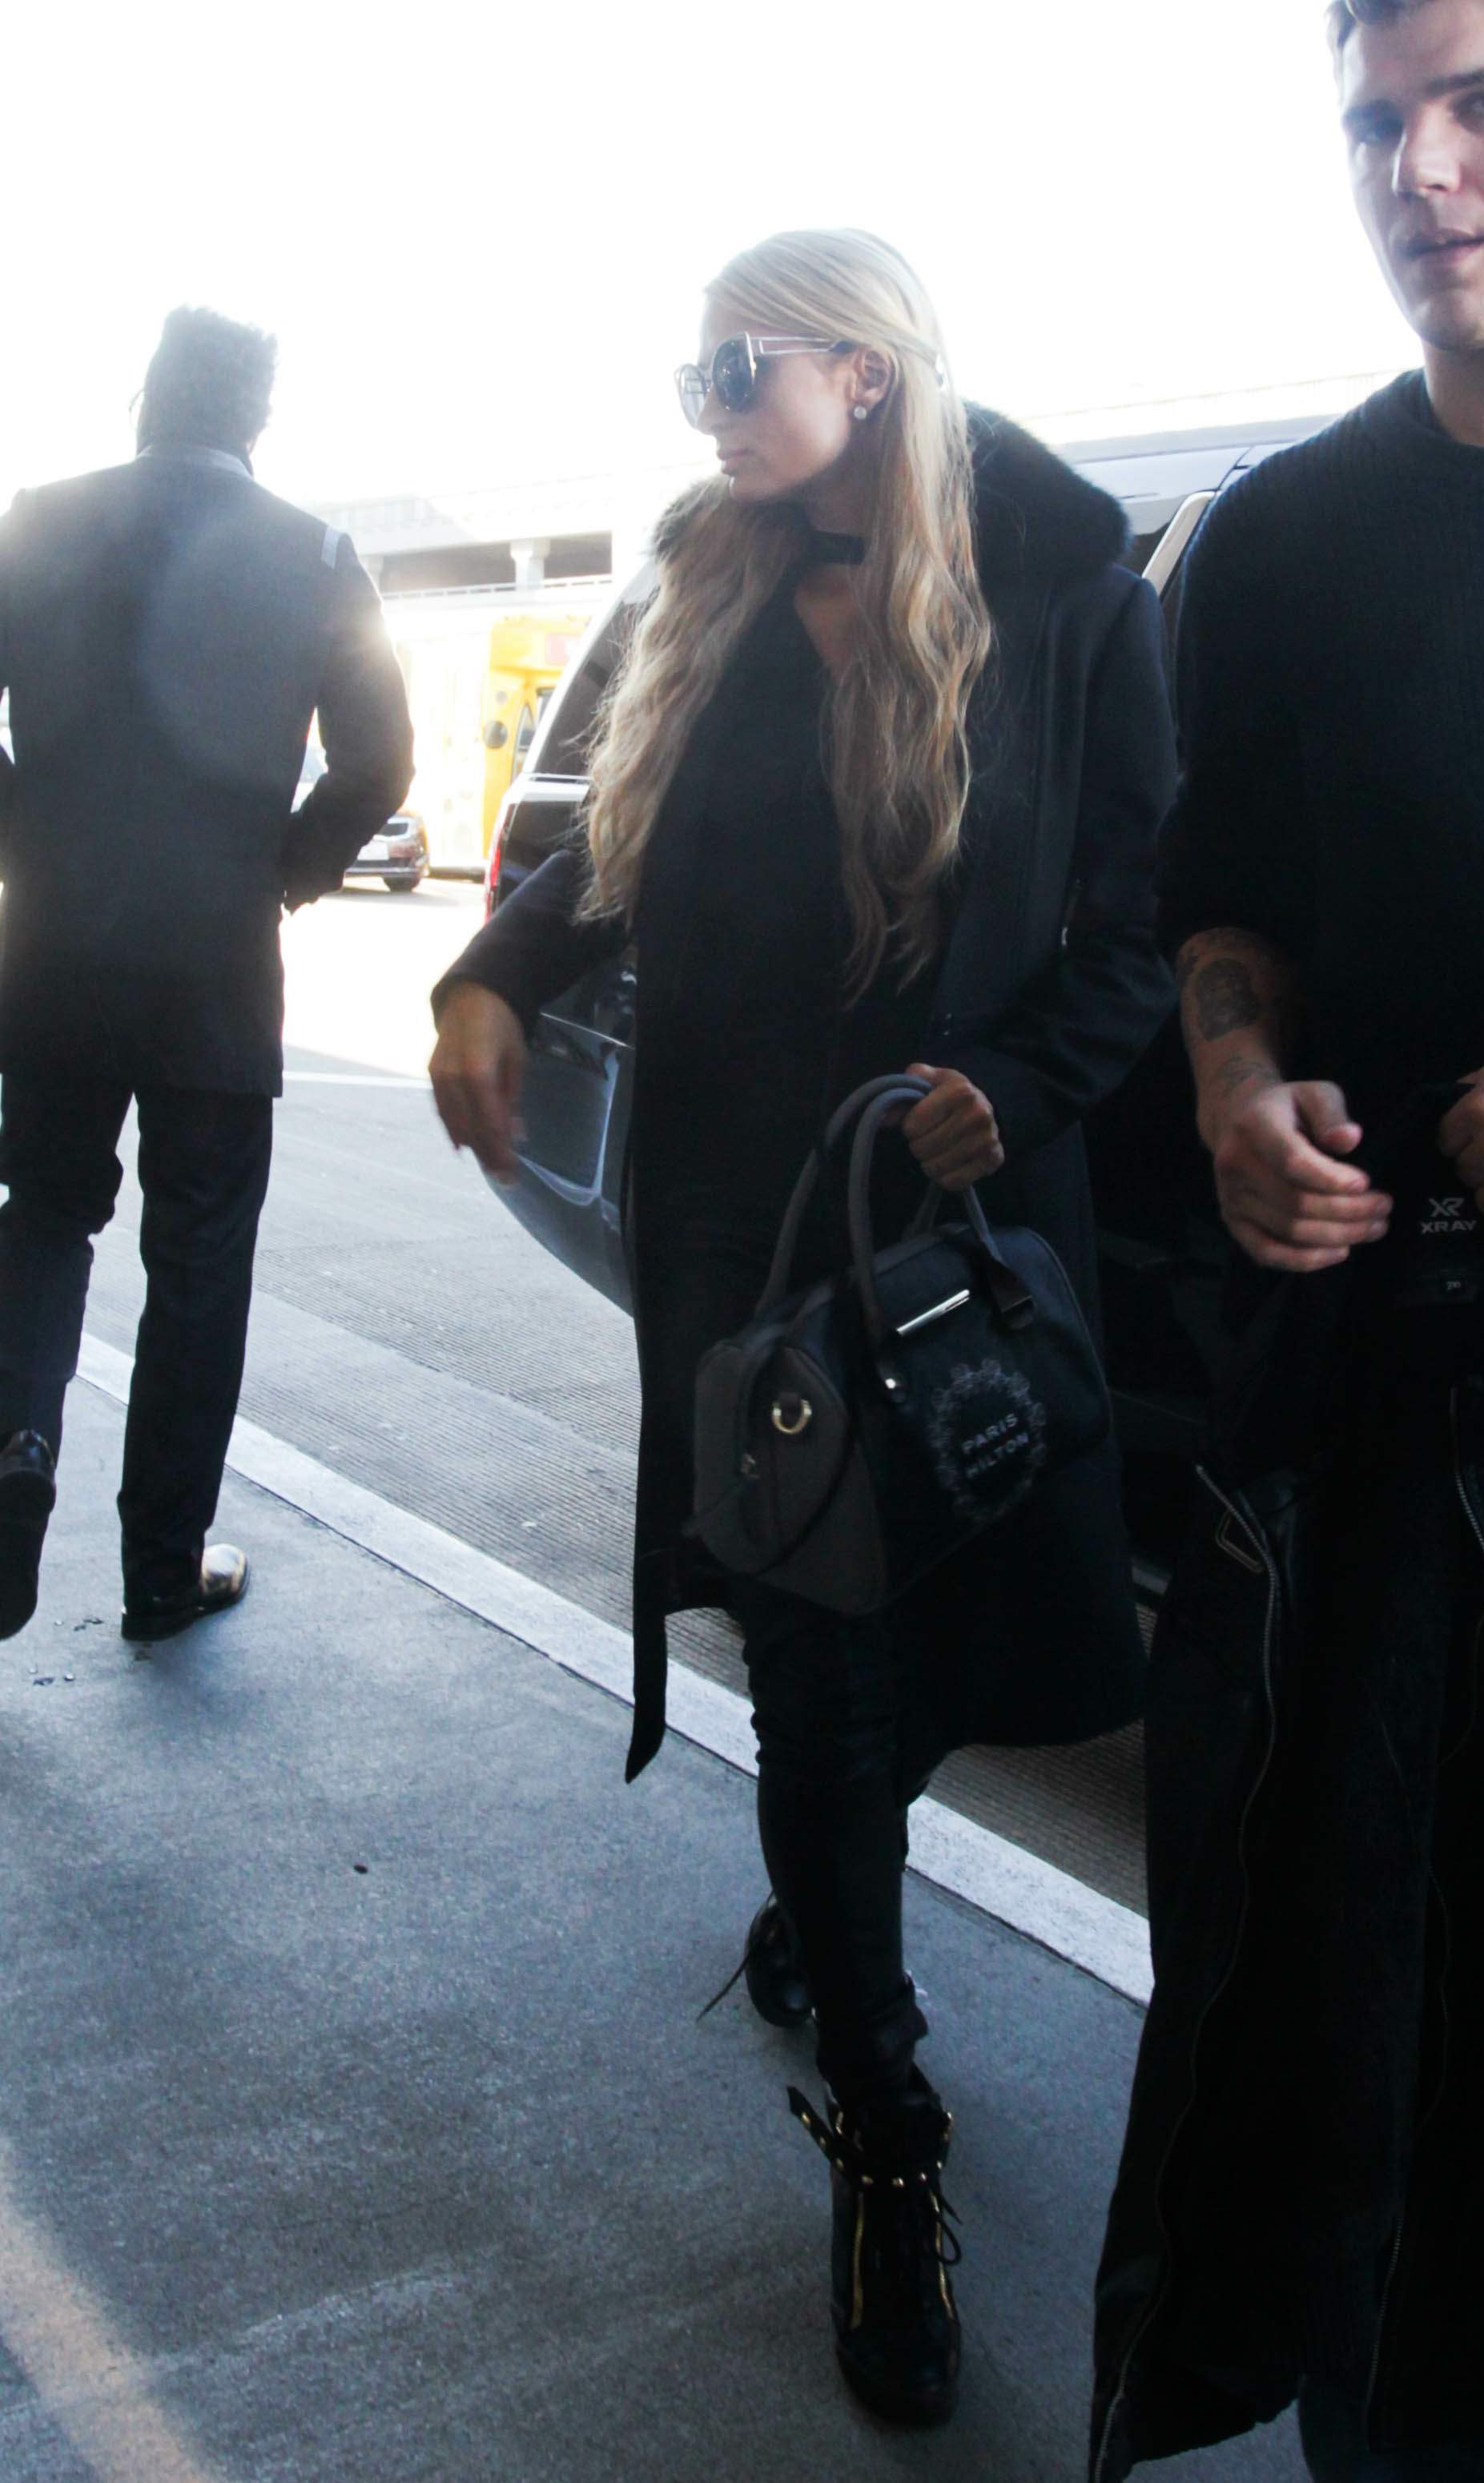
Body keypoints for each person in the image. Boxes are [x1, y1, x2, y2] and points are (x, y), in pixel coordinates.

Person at [429, 228, 1176, 2428]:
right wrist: (495, 969)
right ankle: (884, 2114)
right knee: (820, 1677)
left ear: (870, 370)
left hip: (949, 1243)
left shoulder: (1061, 587)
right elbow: (620, 853)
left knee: (939, 1659)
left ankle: (826, 1901)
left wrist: (1012, 1093)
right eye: (691, 369)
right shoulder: (722, 577)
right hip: (746, 1251)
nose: (707, 405)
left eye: (736, 364)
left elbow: (1136, 924)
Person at [1091, 3, 1484, 2477]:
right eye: (1370, 125)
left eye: (1478, 102)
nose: (1416, 166)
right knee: (1369, 2094)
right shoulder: (1291, 539)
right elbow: (1217, 913)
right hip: (1374, 1446)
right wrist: (1232, 1088)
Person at [0, 308, 413, 1645]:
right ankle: (162, 1571)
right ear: (256, 419)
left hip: (52, 958)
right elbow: (379, 764)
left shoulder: (34, 522)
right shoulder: (317, 554)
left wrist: (29, 847)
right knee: (198, 1269)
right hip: (217, 977)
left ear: (144, 397)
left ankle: (9, 1488)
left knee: (41, 1224)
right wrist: (278, 875)